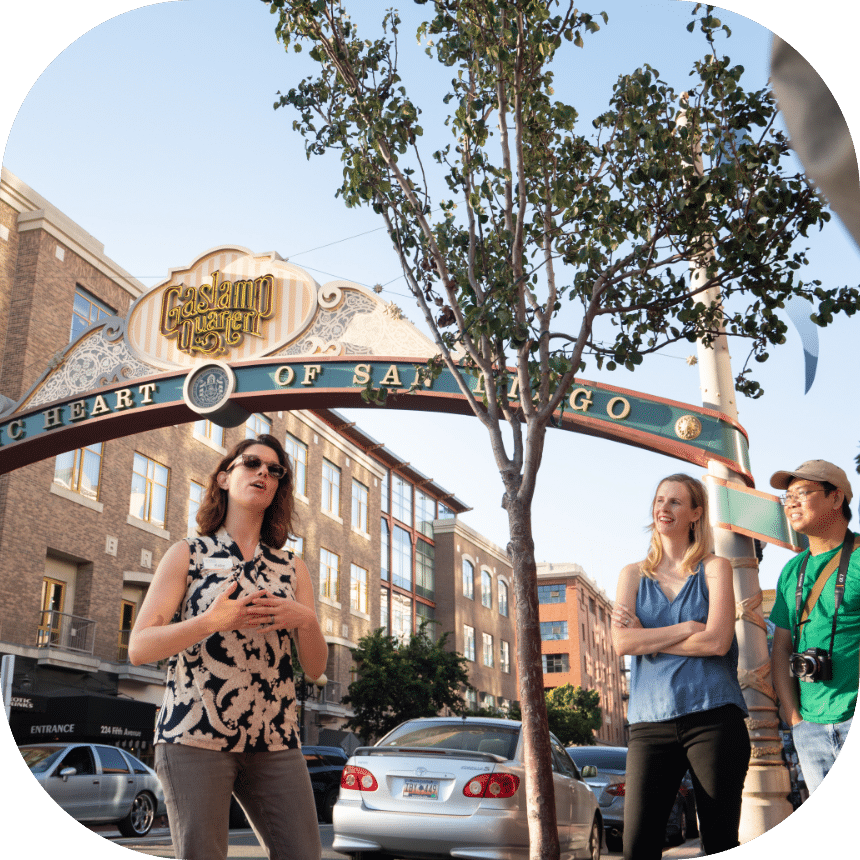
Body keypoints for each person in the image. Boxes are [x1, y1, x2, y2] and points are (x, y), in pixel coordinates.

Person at [128, 434, 328, 860]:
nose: (264, 473)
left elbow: (314, 666)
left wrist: (305, 620)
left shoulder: (293, 566)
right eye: (252, 463)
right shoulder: (187, 553)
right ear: (223, 477)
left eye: (275, 470)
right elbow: (139, 648)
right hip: (194, 736)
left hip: (275, 740)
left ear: (279, 487)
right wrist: (210, 622)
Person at [611, 474, 750, 859]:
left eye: (674, 502)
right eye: (659, 500)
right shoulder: (631, 576)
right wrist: (689, 628)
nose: (663, 508)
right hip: (649, 724)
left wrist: (650, 638)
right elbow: (622, 642)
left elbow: (718, 641)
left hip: (713, 718)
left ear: (695, 513)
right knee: (637, 846)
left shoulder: (715, 568)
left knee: (720, 840)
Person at [768, 459, 859, 794]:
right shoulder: (792, 571)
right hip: (811, 728)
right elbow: (781, 648)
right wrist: (794, 717)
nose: (791, 503)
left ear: (836, 499)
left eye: (802, 493)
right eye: (786, 497)